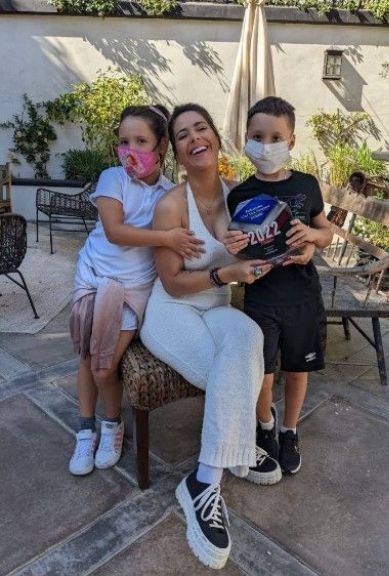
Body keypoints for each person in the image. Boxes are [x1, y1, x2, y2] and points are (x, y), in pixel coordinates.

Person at [140, 103, 281, 570]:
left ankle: (217, 464)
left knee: (248, 336)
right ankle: (210, 477)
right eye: (182, 134)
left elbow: (259, 251)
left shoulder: (239, 196)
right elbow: (172, 283)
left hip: (216, 307)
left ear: (216, 138)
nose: (194, 138)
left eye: (201, 128)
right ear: (177, 152)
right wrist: (228, 273)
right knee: (232, 371)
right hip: (171, 312)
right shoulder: (171, 206)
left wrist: (278, 253)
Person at [68, 104, 204, 477]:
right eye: (124, 141)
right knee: (86, 357)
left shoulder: (169, 194)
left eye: (141, 141)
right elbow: (114, 231)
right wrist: (167, 237)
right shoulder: (113, 178)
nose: (130, 150)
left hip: (132, 292)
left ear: (161, 147)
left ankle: (112, 423)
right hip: (92, 278)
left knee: (103, 366)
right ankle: (85, 429)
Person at [225, 96, 333, 478]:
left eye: (276, 137)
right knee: (263, 372)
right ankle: (266, 424)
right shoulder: (239, 195)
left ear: (292, 141)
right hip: (261, 298)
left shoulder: (306, 185)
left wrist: (312, 239)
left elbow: (326, 232)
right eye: (257, 136)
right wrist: (234, 248)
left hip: (302, 295)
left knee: (297, 367)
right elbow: (239, 247)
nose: (266, 145)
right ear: (246, 138)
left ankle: (290, 431)